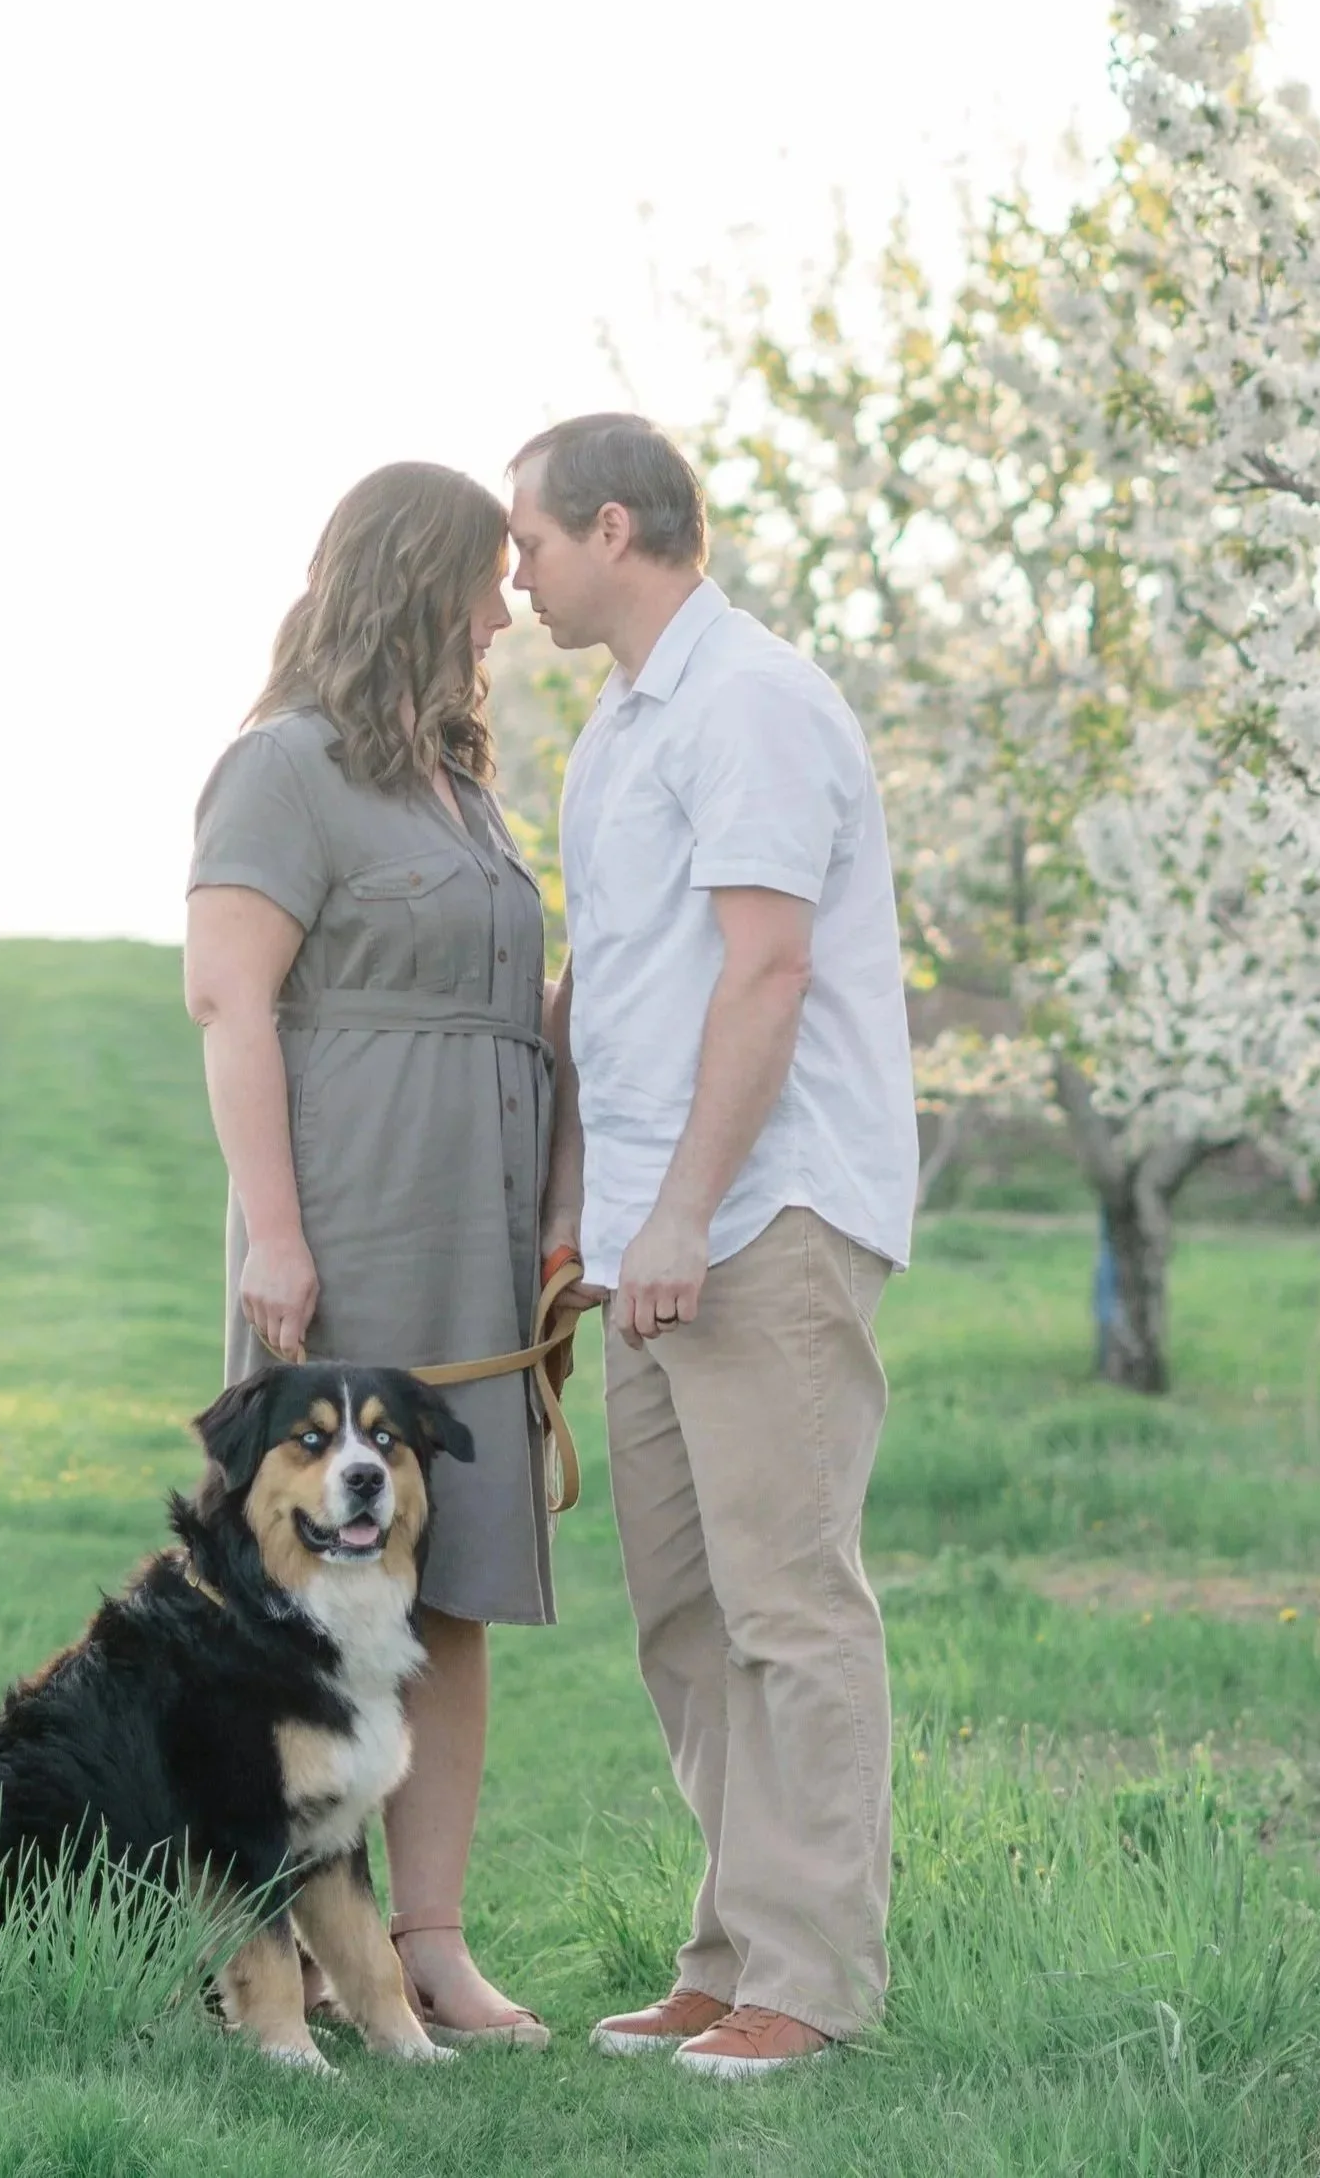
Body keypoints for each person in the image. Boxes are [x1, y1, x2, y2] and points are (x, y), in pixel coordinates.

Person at [509, 412, 917, 2078]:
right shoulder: (615, 731)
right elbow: (615, 989)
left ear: (618, 528)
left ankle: (811, 1985)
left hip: (762, 1217)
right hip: (648, 1240)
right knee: (685, 1616)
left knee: (788, 1607)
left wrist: (679, 1207)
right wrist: (573, 1218)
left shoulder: (749, 702)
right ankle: (731, 1950)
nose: (516, 574)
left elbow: (766, 973)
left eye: (531, 540)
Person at [184, 461, 556, 2048]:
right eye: (485, 575)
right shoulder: (281, 768)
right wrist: (276, 1227)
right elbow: (229, 999)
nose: (505, 606)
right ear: (417, 579)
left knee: (447, 1586)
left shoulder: (464, 788)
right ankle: (281, 1952)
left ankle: (426, 1949)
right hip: (348, 1214)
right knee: (291, 1599)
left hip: (479, 1231)